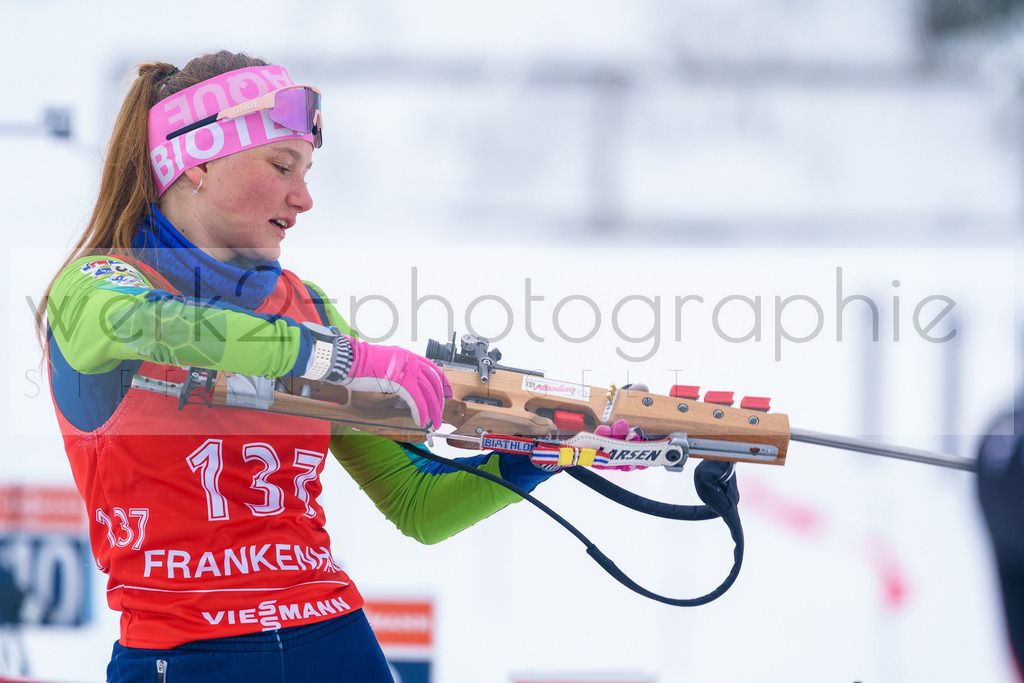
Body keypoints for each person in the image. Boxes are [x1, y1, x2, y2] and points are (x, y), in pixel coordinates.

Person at [37, 51, 557, 682]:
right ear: (197, 161)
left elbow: (417, 501)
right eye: (283, 165)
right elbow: (166, 327)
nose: (304, 197)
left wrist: (541, 453)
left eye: (307, 171)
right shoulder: (95, 287)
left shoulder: (307, 306)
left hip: (335, 643)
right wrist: (344, 358)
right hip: (186, 654)